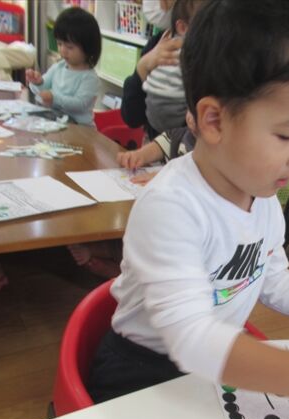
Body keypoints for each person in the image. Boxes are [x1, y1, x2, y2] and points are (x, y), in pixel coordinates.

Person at [87, 0, 289, 419]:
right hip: (141, 372)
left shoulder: (264, 199)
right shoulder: (171, 208)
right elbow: (191, 338)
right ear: (213, 120)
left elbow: (273, 281)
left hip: (213, 364)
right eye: (286, 134)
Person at [67, 118, 196, 278]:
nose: (190, 118)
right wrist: (138, 155)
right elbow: (164, 142)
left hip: (178, 226)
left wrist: (164, 176)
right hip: (156, 209)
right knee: (128, 224)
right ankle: (110, 257)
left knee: (145, 238)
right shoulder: (182, 135)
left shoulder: (208, 154)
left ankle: (118, 270)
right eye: (190, 111)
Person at [25, 7, 101, 127]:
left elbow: (80, 104)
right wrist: (37, 82)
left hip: (80, 129)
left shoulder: (89, 77)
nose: (62, 50)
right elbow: (42, 90)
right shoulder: (58, 67)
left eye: (70, 47)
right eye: (59, 44)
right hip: (57, 123)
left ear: (88, 48)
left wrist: (54, 98)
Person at [141, 0, 204, 133]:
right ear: (182, 27)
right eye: (205, 26)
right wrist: (142, 66)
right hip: (172, 112)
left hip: (151, 108)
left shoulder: (164, 42)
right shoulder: (192, 49)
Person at [120, 1, 180, 136]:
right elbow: (132, 117)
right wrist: (142, 67)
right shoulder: (156, 43)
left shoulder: (208, 53)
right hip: (155, 142)